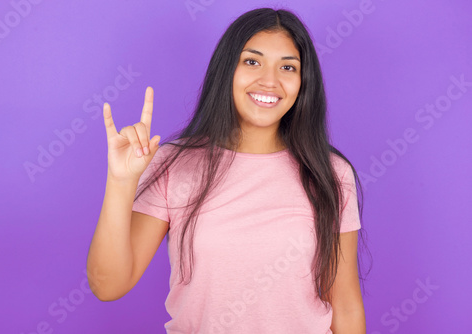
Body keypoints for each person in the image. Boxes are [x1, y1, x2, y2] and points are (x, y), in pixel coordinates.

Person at [87, 7, 371, 334]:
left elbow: (346, 305)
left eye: (288, 67)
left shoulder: (331, 174)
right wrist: (121, 181)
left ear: (303, 82)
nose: (269, 80)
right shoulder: (174, 163)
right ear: (227, 70)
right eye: (252, 61)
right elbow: (107, 286)